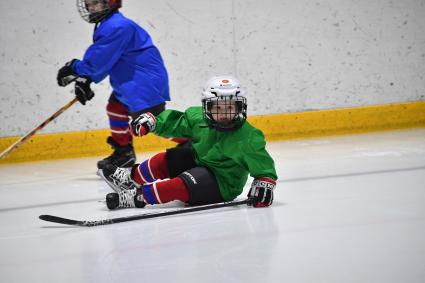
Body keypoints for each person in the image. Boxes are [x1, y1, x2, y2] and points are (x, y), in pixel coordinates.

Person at [98, 76, 278, 209]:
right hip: (201, 161)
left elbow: (263, 165)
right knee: (173, 157)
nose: (224, 113)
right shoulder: (197, 117)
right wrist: (153, 122)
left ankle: (138, 197)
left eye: (230, 107)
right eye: (218, 107)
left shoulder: (247, 137)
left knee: (182, 183)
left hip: (222, 183)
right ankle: (132, 179)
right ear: (207, 107)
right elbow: (175, 123)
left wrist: (265, 181)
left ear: (240, 107)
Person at [56, 0, 173, 170]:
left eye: (95, 2)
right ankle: (124, 153)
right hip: (130, 82)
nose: (90, 7)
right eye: (88, 4)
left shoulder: (117, 26)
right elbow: (108, 59)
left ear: (110, 2)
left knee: (154, 124)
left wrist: (74, 67)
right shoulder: (110, 24)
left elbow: (99, 61)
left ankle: (191, 142)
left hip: (142, 84)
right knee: (115, 108)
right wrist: (86, 79)